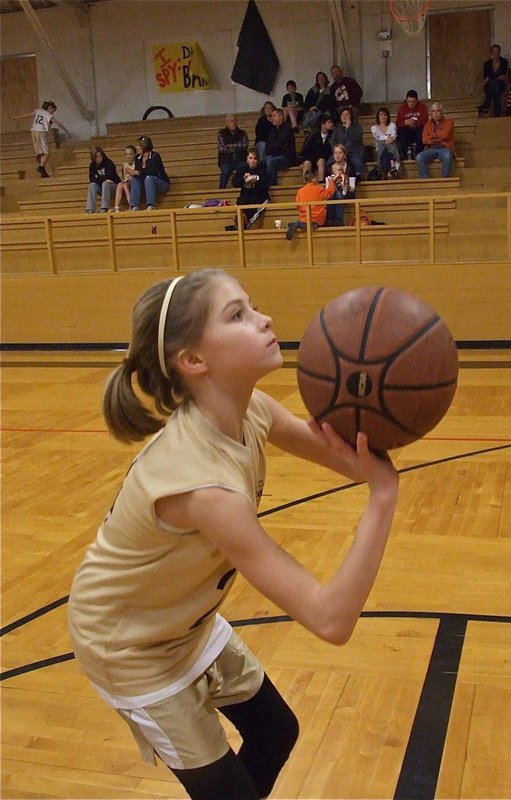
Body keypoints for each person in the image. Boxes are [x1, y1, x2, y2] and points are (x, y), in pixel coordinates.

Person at [68, 267, 398, 799]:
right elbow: (331, 619)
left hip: (182, 620)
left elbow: (351, 459)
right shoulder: (206, 491)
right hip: (129, 646)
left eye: (253, 305)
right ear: (194, 362)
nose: (264, 319)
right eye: (237, 315)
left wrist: (387, 407)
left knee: (275, 732)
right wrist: (383, 499)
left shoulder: (252, 411)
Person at [14, 100, 69, 178]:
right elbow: (58, 123)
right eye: (53, 111)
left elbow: (28, 115)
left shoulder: (38, 111)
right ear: (49, 108)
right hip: (41, 132)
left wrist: (17, 117)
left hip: (33, 132)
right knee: (46, 152)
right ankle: (41, 167)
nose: (52, 113)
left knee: (41, 151)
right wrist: (67, 131)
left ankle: (41, 162)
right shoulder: (48, 115)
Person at [286, 168, 336, 240]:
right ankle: (303, 224)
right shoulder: (319, 189)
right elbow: (330, 193)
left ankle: (298, 224)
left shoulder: (300, 191)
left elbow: (298, 206)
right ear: (314, 179)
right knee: (314, 224)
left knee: (304, 222)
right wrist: (331, 182)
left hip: (304, 217)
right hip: (317, 218)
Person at [228, 148, 270, 229]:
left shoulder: (262, 168)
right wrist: (243, 179)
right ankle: (241, 221)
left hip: (259, 195)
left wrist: (256, 179)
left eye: (255, 159)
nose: (252, 161)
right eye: (250, 158)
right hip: (245, 195)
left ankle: (245, 223)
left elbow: (265, 184)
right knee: (242, 202)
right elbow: (235, 183)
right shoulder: (242, 169)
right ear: (247, 159)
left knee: (253, 202)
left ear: (258, 161)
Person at [416, 102, 456, 179]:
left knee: (447, 155)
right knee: (419, 157)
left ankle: (445, 180)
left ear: (441, 112)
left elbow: (445, 135)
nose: (436, 113)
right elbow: (424, 140)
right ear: (431, 113)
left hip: (444, 147)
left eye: (438, 111)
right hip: (431, 148)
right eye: (433, 111)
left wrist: (432, 136)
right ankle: (426, 180)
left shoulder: (449, 122)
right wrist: (437, 138)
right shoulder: (427, 124)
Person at [129, 136, 170, 211]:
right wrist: (134, 173)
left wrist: (137, 172)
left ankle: (151, 205)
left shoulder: (155, 156)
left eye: (138, 146)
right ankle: (134, 206)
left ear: (144, 146)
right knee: (135, 179)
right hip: (146, 184)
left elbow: (153, 172)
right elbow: (138, 175)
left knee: (149, 178)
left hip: (160, 183)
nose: (136, 147)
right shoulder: (138, 157)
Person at [330, 107, 365, 179]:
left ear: (351, 116)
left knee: (357, 161)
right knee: (329, 162)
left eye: (347, 114)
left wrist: (348, 128)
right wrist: (338, 151)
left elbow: (356, 138)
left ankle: (359, 178)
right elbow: (333, 142)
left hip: (354, 151)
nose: (344, 116)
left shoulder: (357, 127)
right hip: (340, 152)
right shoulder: (337, 129)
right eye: (342, 114)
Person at [264, 108, 296, 186]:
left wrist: (274, 149)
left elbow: (281, 145)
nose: (272, 118)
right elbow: (268, 146)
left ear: (281, 116)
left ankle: (272, 185)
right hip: (275, 155)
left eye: (274, 116)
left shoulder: (287, 129)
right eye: (271, 116)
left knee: (270, 161)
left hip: (287, 157)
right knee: (262, 161)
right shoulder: (273, 130)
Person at [299, 113, 333, 182]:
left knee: (321, 161)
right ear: (323, 124)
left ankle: (321, 182)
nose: (331, 124)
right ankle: (306, 185)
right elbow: (306, 150)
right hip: (313, 157)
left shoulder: (333, 135)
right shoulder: (313, 136)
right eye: (329, 122)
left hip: (325, 159)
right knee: (306, 163)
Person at [217, 115, 249, 190]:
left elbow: (244, 145)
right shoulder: (221, 133)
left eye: (235, 121)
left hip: (240, 158)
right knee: (226, 170)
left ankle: (239, 187)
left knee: (242, 167)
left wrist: (231, 146)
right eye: (231, 121)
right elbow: (222, 148)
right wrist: (237, 146)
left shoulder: (242, 133)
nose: (233, 123)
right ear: (227, 123)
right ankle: (221, 190)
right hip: (226, 160)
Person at [85, 146, 120, 213]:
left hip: (113, 186)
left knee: (105, 184)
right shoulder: (92, 166)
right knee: (92, 185)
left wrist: (98, 178)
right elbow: (92, 179)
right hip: (102, 187)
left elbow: (111, 177)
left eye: (100, 156)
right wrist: (102, 179)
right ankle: (90, 208)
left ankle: (104, 208)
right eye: (96, 157)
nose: (99, 158)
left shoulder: (108, 163)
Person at [325, 149, 355, 227]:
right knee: (332, 195)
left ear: (344, 155)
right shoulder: (329, 167)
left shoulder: (350, 167)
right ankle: (330, 220)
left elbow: (352, 188)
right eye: (335, 153)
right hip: (332, 192)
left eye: (340, 153)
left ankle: (338, 220)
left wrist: (346, 186)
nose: (337, 155)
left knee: (338, 194)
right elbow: (327, 186)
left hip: (347, 191)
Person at [395, 90, 428, 159]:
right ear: (406, 100)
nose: (411, 104)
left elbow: (425, 121)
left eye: (413, 102)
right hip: (407, 132)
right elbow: (398, 123)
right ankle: (404, 155)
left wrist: (416, 123)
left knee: (421, 130)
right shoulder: (402, 109)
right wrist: (405, 122)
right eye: (409, 102)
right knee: (400, 131)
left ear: (416, 101)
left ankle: (418, 155)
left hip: (418, 131)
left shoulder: (422, 107)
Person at [371, 107, 401, 179]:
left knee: (389, 146)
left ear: (388, 116)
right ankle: (391, 167)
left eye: (385, 115)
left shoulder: (392, 125)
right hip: (381, 146)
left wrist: (389, 140)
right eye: (381, 115)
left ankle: (387, 172)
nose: (383, 117)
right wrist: (387, 140)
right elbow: (378, 139)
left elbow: (394, 136)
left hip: (391, 145)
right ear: (378, 116)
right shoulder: (374, 128)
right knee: (383, 147)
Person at [478, 45, 508, 118]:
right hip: (489, 85)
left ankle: (486, 105)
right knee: (494, 86)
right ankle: (497, 112)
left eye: (497, 51)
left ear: (500, 52)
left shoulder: (504, 62)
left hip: (500, 84)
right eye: (494, 52)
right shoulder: (487, 64)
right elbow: (486, 77)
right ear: (491, 53)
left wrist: (502, 77)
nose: (496, 53)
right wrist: (486, 81)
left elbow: (504, 75)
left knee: (496, 85)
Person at [114, 145, 137, 212]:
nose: (128, 156)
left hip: (135, 182)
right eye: (127, 154)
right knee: (120, 185)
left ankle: (131, 205)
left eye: (130, 154)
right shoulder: (125, 165)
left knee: (125, 185)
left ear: (135, 154)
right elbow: (124, 177)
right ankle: (116, 207)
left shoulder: (137, 164)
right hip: (127, 182)